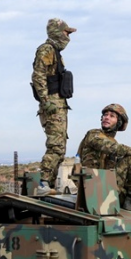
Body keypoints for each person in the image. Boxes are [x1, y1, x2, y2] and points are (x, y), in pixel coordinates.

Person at [77, 103, 131, 212]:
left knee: (130, 159)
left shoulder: (114, 142)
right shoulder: (93, 134)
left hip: (105, 185)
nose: (106, 117)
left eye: (112, 116)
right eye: (105, 115)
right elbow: (112, 148)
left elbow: (112, 167)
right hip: (91, 185)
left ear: (119, 122)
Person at [32, 18, 76, 195]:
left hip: (59, 104)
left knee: (61, 148)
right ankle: (43, 183)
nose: (68, 36)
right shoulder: (47, 49)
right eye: (66, 32)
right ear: (57, 32)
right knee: (55, 146)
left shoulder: (56, 52)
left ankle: (47, 184)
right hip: (52, 105)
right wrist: (45, 101)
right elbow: (38, 76)